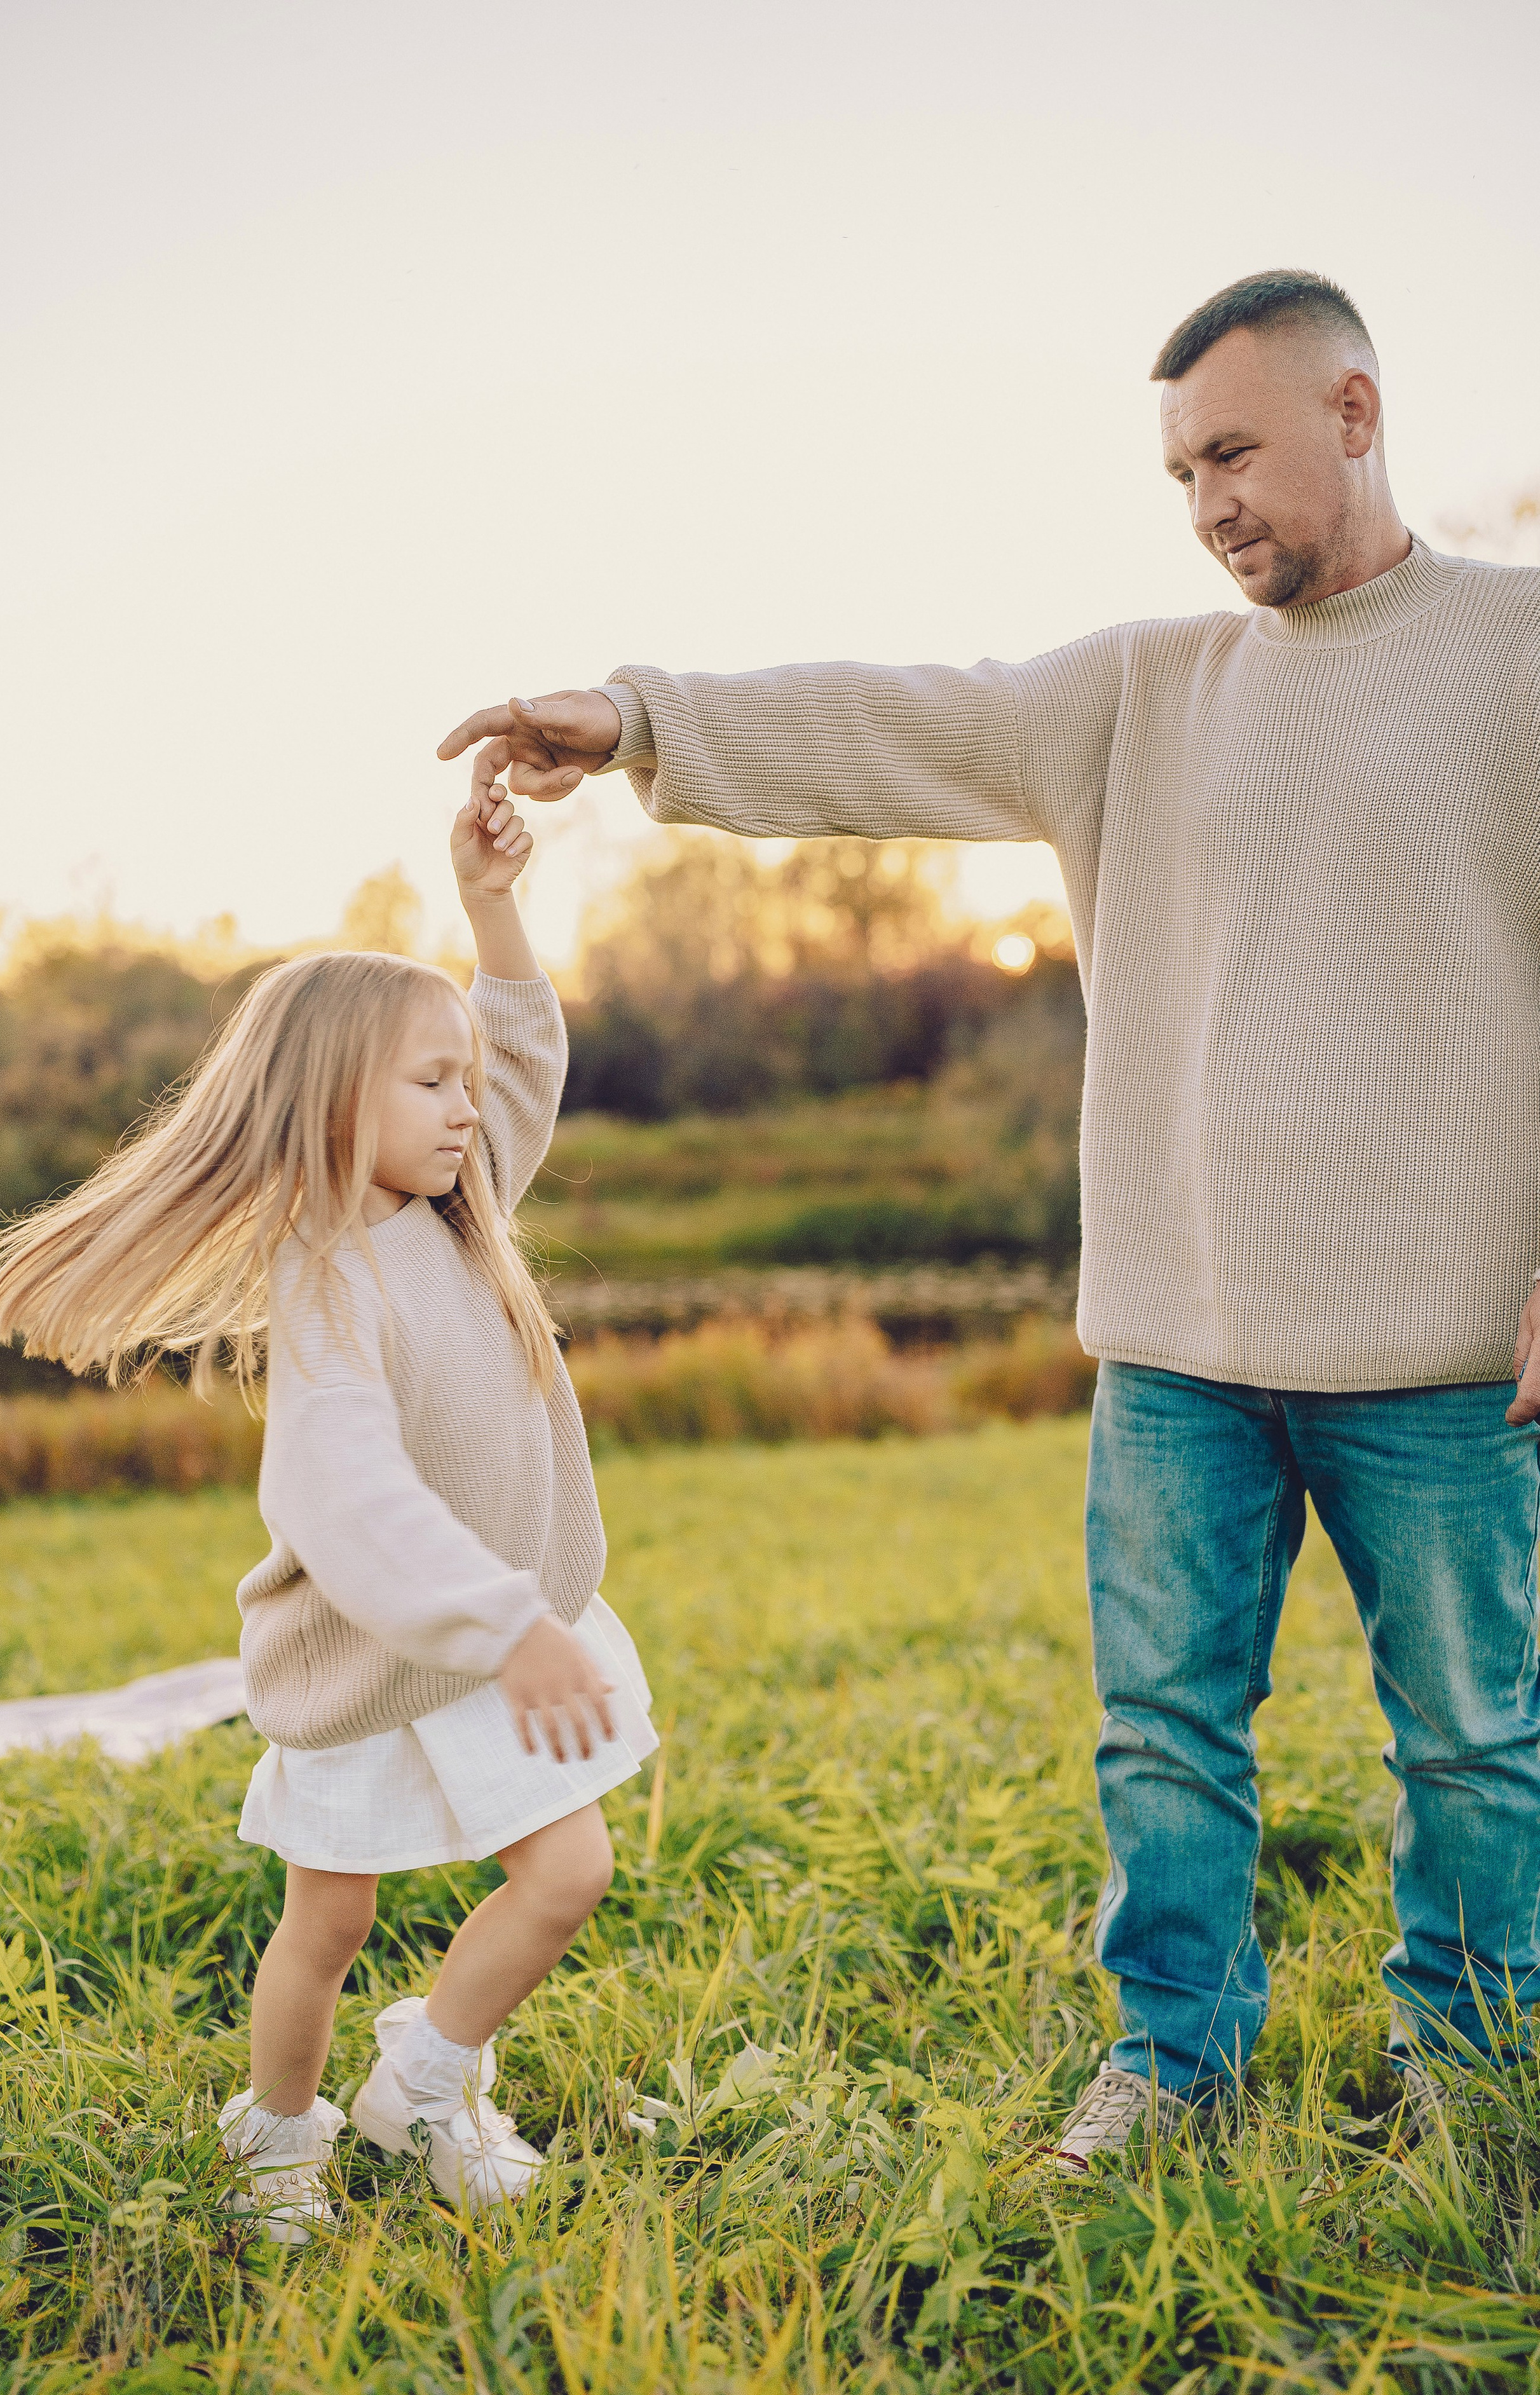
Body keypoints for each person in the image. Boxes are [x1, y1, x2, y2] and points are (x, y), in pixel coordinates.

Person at [436, 268, 1540, 2169]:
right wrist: (629, 718)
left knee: (1471, 1740)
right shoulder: (1139, 690)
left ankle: (1473, 2067)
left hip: (1441, 1349)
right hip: (1177, 1342)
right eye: (1179, 472)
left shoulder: (1514, 656)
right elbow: (898, 720)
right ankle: (1172, 2066)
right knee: (1163, 1737)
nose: (1207, 505)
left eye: (1234, 454)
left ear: (1356, 414)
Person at [0, 796, 656, 2241]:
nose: (466, 1106)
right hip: (369, 1659)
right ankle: (276, 2140)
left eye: (465, 1082)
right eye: (431, 1082)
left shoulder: (465, 1206)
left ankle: (425, 2084)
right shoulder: (328, 1283)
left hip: (497, 1644)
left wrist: (490, 907)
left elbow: (524, 1059)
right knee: (328, 1921)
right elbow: (350, 1496)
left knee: (570, 1871)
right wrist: (503, 1622)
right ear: (338, 1104)